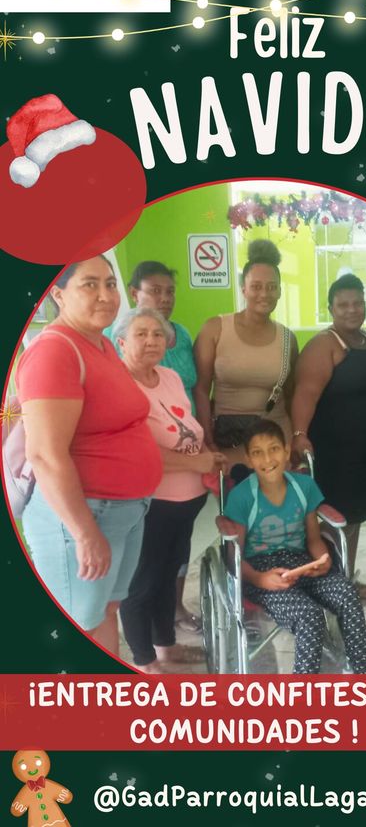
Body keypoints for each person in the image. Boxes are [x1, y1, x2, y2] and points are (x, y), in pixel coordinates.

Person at [16, 256, 162, 655]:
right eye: (89, 284)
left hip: (122, 512)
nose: (105, 295)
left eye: (110, 284)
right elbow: (45, 454)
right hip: (83, 517)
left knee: (105, 612)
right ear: (58, 294)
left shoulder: (100, 344)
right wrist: (84, 532)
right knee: (78, 627)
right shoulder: (54, 352)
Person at [115, 307, 228, 672]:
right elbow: (137, 453)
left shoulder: (169, 376)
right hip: (151, 503)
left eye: (158, 334)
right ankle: (144, 661)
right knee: (143, 582)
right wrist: (196, 462)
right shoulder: (118, 385)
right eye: (141, 334)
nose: (152, 340)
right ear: (121, 342)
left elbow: (187, 426)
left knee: (168, 576)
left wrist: (207, 456)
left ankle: (166, 646)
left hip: (186, 502)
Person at [224, 419, 366, 674]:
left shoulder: (304, 487)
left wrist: (323, 560)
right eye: (257, 452)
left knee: (347, 594)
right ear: (248, 460)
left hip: (302, 562)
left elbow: (314, 539)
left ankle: (364, 674)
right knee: (309, 615)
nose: (267, 459)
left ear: (286, 452)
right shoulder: (242, 496)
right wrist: (260, 579)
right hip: (261, 571)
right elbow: (233, 554)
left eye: (273, 449)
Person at [291, 274, 366, 601]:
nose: (352, 310)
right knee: (332, 522)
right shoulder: (324, 345)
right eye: (343, 305)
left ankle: (346, 579)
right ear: (331, 309)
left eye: (357, 303)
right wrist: (299, 435)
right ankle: (327, 585)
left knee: (353, 519)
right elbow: (305, 394)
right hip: (336, 453)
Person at [107, 259, 199, 633]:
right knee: (145, 573)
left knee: (173, 561)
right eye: (155, 291)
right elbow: (133, 445)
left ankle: (169, 628)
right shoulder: (117, 363)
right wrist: (196, 459)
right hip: (151, 490)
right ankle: (147, 654)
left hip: (187, 479)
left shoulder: (178, 352)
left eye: (170, 291)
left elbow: (195, 391)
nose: (165, 298)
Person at [194, 239, 298, 469]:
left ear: (280, 291)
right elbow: (200, 389)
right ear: (244, 289)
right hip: (230, 440)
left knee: (279, 492)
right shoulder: (215, 329)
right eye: (256, 286)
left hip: (276, 440)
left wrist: (297, 437)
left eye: (271, 287)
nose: (264, 294)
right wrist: (208, 440)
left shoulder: (288, 338)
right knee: (237, 491)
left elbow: (291, 394)